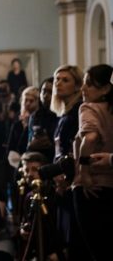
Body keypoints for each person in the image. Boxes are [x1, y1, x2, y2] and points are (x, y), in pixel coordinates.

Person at [72, 64, 113, 261]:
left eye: (89, 84)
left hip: (92, 187)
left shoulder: (88, 107)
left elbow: (89, 138)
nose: (83, 89)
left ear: (105, 89)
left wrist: (84, 172)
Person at [47, 64, 87, 260]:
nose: (59, 84)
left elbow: (77, 149)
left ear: (78, 85)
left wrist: (64, 175)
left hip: (74, 180)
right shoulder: (63, 114)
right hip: (61, 178)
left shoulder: (79, 111)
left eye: (65, 80)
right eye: (57, 80)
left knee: (75, 239)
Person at [27, 77, 58, 162]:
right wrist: (32, 145)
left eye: (50, 92)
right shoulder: (35, 116)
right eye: (44, 91)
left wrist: (50, 144)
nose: (45, 95)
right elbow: (29, 141)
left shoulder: (61, 115)